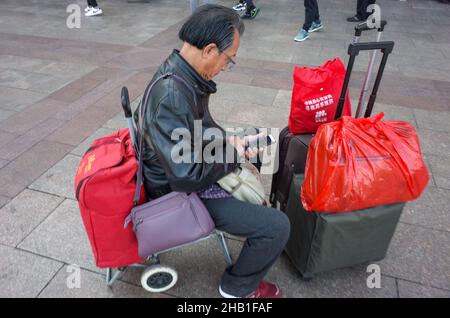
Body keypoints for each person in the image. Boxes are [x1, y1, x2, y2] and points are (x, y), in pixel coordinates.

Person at [134, 4, 290, 298]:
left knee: (256, 155)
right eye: (229, 60)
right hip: (176, 193)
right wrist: (230, 157)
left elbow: (197, 130)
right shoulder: (172, 95)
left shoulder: (181, 75)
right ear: (208, 50)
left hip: (180, 171)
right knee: (277, 226)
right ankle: (237, 288)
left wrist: (228, 142)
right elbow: (185, 177)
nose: (225, 68)